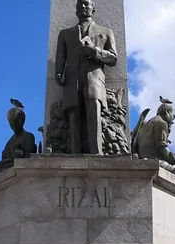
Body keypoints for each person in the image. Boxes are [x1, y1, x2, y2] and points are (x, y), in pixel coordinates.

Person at [54, 0, 118, 155]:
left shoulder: (106, 31)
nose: (83, 7)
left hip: (94, 80)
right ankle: (74, 153)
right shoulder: (65, 33)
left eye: (86, 4)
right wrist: (58, 72)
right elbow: (61, 55)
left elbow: (113, 58)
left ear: (93, 9)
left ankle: (97, 153)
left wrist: (95, 51)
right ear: (76, 10)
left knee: (94, 114)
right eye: (79, 5)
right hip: (71, 80)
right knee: (73, 116)